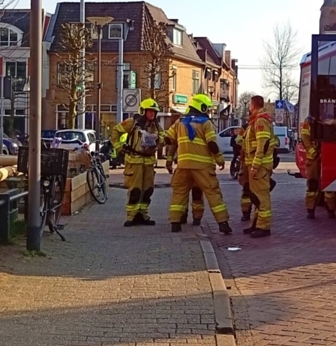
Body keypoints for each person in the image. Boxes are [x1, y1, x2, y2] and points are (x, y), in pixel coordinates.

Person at [165, 94, 232, 235]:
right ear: (201, 106)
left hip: (183, 166)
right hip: (202, 166)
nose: (207, 110)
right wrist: (220, 159)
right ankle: (222, 223)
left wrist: (169, 160)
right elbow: (212, 144)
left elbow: (170, 140)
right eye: (206, 108)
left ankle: (175, 223)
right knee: (213, 193)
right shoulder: (205, 123)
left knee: (179, 194)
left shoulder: (180, 122)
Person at [110, 98, 165, 227]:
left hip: (149, 162)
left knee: (147, 190)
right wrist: (119, 147)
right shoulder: (132, 123)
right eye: (150, 111)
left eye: (154, 112)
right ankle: (131, 216)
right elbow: (116, 131)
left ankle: (143, 214)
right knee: (135, 190)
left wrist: (158, 139)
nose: (152, 114)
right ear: (143, 111)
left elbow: (164, 138)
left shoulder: (156, 125)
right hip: (134, 160)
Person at [243, 95, 275, 238]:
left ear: (253, 105)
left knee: (262, 197)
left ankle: (264, 227)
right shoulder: (256, 120)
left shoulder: (261, 120)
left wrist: (255, 165)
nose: (249, 107)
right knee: (256, 197)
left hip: (260, 166)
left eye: (250, 105)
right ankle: (256, 224)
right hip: (257, 165)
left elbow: (263, 144)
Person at [301, 115, 336, 220]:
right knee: (312, 185)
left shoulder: (332, 118)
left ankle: (331, 210)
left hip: (327, 158)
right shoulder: (309, 121)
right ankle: (310, 211)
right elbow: (305, 139)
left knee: (329, 186)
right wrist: (314, 153)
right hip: (313, 160)